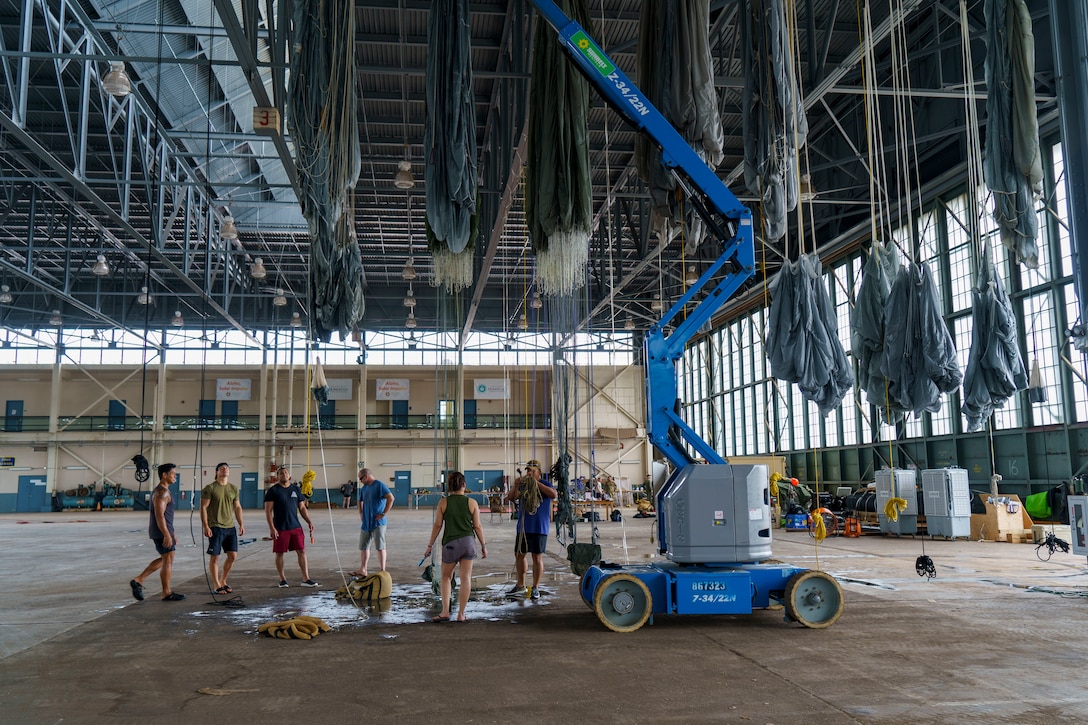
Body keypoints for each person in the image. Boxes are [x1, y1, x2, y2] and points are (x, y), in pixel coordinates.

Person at [422, 471, 487, 622]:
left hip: (450, 544)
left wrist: (430, 545)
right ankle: (461, 614)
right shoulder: (472, 503)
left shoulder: (443, 503)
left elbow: (438, 525)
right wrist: (483, 545)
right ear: (464, 485)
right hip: (468, 543)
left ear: (449, 487)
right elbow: (477, 526)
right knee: (466, 578)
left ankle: (445, 612)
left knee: (446, 577)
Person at [129, 463, 186, 602]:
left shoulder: (163, 491)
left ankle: (139, 580)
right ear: (164, 475)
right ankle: (166, 592)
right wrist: (166, 534)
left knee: (167, 559)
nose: (175, 477)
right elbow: (159, 515)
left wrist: (172, 533)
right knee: (167, 560)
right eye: (173, 474)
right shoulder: (162, 492)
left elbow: (166, 516)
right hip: (161, 531)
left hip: (165, 530)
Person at [504, 459, 557, 600]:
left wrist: (536, 483)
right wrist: (515, 486)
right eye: (528, 470)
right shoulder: (523, 485)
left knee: (537, 557)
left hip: (539, 527)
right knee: (519, 555)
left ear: (539, 472)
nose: (529, 473)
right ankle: (520, 585)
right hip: (523, 527)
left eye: (532, 471)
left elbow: (553, 494)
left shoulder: (546, 485)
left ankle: (535, 587)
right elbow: (510, 497)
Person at [263, 466, 318, 588]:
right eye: (281, 473)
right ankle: (282, 579)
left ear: (290, 476)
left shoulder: (296, 489)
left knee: (301, 551)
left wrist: (309, 521)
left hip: (295, 526)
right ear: (277, 477)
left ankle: (306, 578)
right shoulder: (273, 491)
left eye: (286, 473)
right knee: (279, 553)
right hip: (280, 527)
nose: (284, 474)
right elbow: (268, 511)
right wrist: (272, 528)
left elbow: (302, 507)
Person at [200, 462, 245, 594]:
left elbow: (237, 507)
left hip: (230, 527)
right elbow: (203, 507)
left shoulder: (233, 488)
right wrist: (206, 526)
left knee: (232, 556)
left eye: (226, 468)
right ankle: (216, 584)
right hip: (215, 527)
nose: (225, 469)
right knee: (215, 557)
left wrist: (241, 523)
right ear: (216, 472)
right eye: (221, 468)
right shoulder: (210, 488)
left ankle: (223, 580)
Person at [351, 468, 394, 577]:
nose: (360, 481)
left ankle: (382, 570)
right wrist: (360, 512)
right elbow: (360, 500)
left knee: (380, 546)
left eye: (361, 478)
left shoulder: (379, 485)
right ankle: (363, 569)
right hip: (366, 522)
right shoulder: (365, 488)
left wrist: (383, 513)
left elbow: (391, 498)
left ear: (366, 476)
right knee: (364, 547)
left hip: (378, 522)